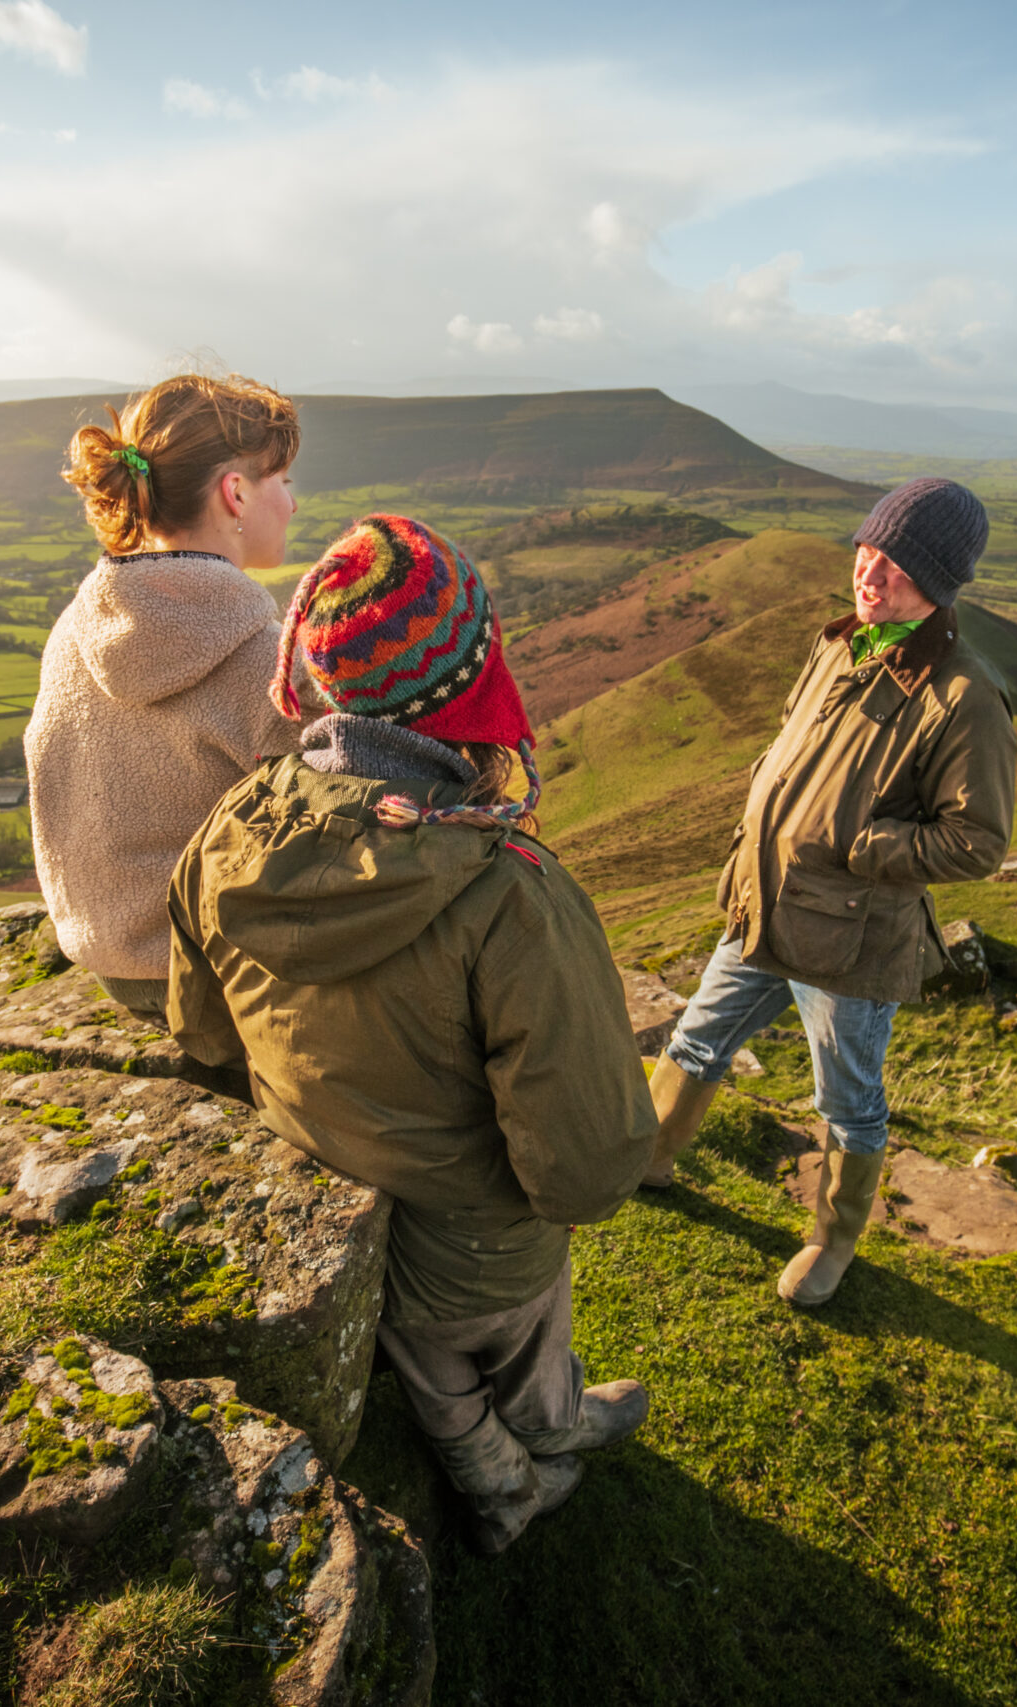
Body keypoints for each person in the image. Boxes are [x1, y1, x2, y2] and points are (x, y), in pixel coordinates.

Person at [166, 514, 657, 1555]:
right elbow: (586, 1159)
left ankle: (500, 1494)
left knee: (434, 1375)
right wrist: (558, 1202)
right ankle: (554, 1432)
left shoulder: (231, 826)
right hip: (479, 1236)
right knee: (522, 1353)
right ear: (468, 686)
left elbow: (198, 1030)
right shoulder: (507, 895)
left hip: (334, 1182)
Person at [644, 477, 1017, 1308]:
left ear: (941, 581)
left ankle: (831, 1240)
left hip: (849, 939)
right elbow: (794, 739)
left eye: (897, 563)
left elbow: (980, 841)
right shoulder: (838, 643)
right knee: (698, 1037)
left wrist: (872, 846)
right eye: (867, 548)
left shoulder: (963, 697)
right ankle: (649, 1157)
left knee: (846, 1098)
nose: (869, 572)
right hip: (766, 903)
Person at [25, 372, 304, 1025]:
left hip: (114, 965)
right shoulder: (261, 658)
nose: (291, 503)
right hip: (222, 983)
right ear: (235, 493)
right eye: (282, 481)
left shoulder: (76, 628)